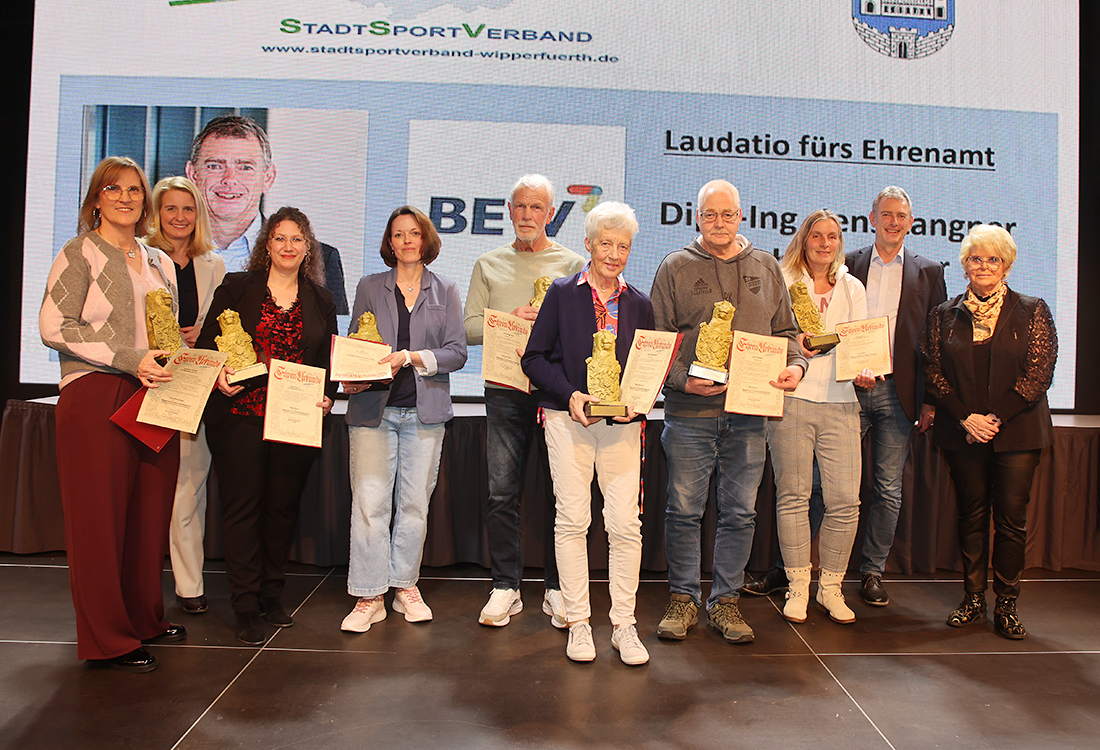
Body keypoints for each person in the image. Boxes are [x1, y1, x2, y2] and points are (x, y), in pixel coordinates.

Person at [40, 156, 185, 672]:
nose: (125, 198)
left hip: (156, 394)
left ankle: (143, 619)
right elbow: (54, 326)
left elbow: (166, 336)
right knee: (99, 521)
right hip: (96, 393)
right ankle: (107, 639)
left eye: (134, 190)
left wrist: (197, 367)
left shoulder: (159, 261)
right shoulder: (78, 252)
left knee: (149, 514)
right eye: (113, 189)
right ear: (96, 199)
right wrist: (128, 357)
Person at [650, 179, 806, 644]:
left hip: (750, 414)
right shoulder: (675, 267)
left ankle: (725, 602)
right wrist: (681, 380)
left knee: (740, 512)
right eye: (710, 214)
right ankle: (683, 599)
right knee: (684, 511)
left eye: (728, 214)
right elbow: (657, 341)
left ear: (741, 216)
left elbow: (787, 332)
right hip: (689, 414)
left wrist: (796, 366)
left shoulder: (766, 266)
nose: (719, 222)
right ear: (697, 217)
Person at [198, 206, 338, 645]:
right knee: (243, 510)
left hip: (294, 420)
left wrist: (328, 396)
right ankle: (244, 605)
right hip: (240, 416)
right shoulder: (237, 287)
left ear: (308, 247)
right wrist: (218, 375)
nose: (288, 246)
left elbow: (327, 362)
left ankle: (271, 595)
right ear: (267, 245)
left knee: (281, 510)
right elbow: (206, 346)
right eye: (280, 238)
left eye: (297, 239)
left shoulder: (322, 299)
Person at [521, 202, 654, 665]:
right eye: (605, 244)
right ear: (588, 245)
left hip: (621, 427)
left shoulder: (640, 304)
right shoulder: (562, 293)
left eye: (623, 246)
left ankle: (623, 625)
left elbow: (647, 369)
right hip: (567, 420)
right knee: (573, 520)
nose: (614, 254)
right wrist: (570, 394)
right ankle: (578, 622)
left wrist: (641, 400)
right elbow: (533, 359)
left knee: (625, 525)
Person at [922, 225, 1056, 640]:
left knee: (1011, 521)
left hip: (1017, 432)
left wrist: (993, 419)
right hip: (963, 431)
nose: (983, 266)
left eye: (993, 259)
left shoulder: (1032, 309)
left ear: (1007, 266)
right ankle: (973, 598)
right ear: (964, 265)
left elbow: (1039, 373)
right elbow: (932, 371)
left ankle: (1008, 603)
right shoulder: (943, 314)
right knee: (972, 515)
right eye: (976, 259)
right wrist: (967, 418)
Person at [464, 174, 586, 628]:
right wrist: (508, 320)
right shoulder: (488, 264)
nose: (528, 215)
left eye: (537, 207)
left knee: (563, 493)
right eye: (520, 206)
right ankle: (505, 586)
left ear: (551, 214)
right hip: (504, 390)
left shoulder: (573, 263)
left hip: (555, 393)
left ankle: (558, 587)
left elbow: (585, 329)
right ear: (510, 211)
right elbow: (468, 328)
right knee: (501, 492)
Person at [339, 206, 467, 633]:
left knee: (414, 504)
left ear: (425, 239)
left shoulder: (445, 288)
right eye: (398, 234)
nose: (407, 240)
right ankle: (369, 594)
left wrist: (411, 357)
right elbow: (356, 343)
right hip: (373, 410)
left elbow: (457, 353)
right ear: (389, 243)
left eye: (414, 233)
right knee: (370, 503)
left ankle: (404, 586)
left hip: (425, 413)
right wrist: (352, 372)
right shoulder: (369, 286)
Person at [835, 186, 947, 607]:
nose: (893, 222)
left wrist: (931, 399)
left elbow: (935, 341)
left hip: (898, 393)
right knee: (830, 484)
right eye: (886, 214)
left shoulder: (930, 272)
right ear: (872, 218)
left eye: (901, 216)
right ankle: (808, 567)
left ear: (911, 223)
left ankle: (872, 570)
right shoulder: (848, 264)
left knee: (887, 488)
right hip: (847, 388)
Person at [766, 210, 875, 624]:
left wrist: (866, 369)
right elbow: (771, 334)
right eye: (817, 236)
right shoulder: (782, 280)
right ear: (804, 240)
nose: (825, 243)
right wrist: (795, 345)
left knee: (845, 500)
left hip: (842, 402)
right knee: (793, 496)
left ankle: (830, 588)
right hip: (792, 400)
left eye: (832, 236)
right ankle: (797, 587)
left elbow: (861, 344)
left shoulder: (853, 286)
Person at [144, 176, 225, 615]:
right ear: (156, 213)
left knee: (189, 489)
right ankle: (137, 584)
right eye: (170, 208)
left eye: (188, 209)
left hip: (197, 387)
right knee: (147, 491)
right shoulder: (139, 257)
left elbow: (227, 324)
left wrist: (203, 335)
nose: (179, 217)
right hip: (148, 384)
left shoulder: (215, 265)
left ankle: (189, 585)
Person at [185, 115, 349, 313]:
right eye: (215, 166)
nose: (229, 179)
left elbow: (334, 332)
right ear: (193, 174)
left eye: (245, 167)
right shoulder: (159, 253)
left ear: (268, 178)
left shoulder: (320, 258)